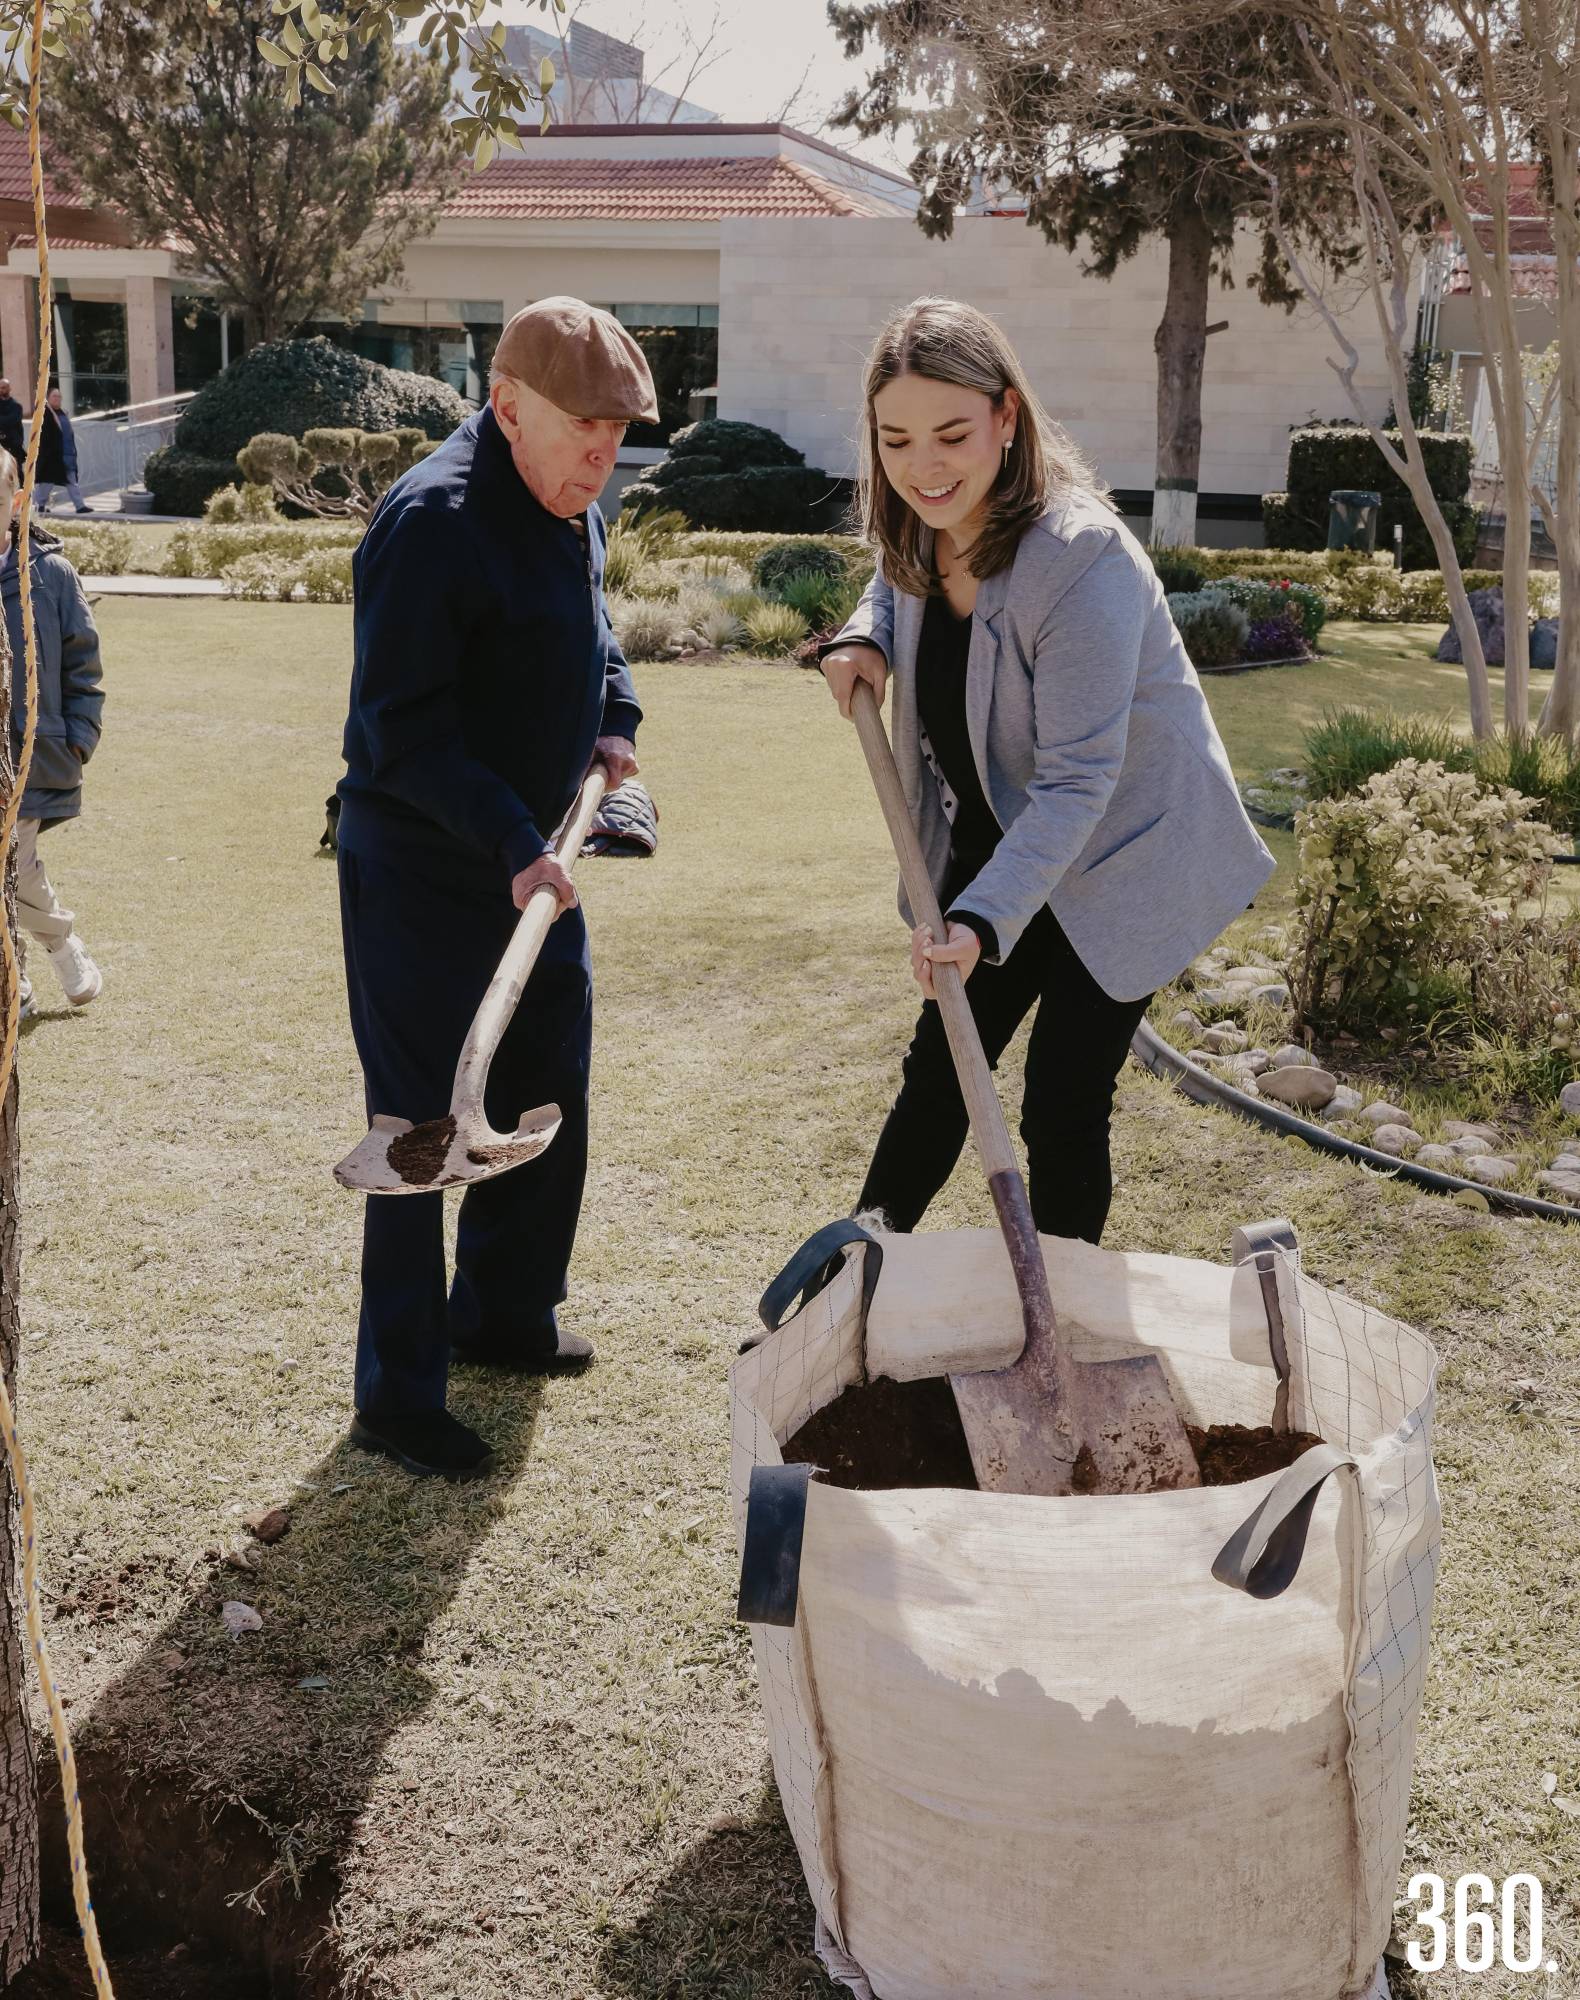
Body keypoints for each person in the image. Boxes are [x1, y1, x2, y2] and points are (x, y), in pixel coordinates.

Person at [820, 296, 1275, 1247]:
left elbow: (1078, 782)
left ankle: (1059, 1319)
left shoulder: (1080, 562)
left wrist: (981, 922)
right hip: (1008, 839)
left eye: (951, 433)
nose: (923, 467)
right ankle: (851, 1281)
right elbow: (892, 573)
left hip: (1122, 854)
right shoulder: (918, 524)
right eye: (895, 440)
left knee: (1062, 1103)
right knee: (942, 1072)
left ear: (1007, 417)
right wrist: (865, 635)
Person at [336, 296, 656, 1480]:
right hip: (425, 870)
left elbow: (595, 626)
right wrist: (516, 837)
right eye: (583, 428)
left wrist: (613, 721)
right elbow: (401, 734)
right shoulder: (429, 523)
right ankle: (398, 1392)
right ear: (505, 401)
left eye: (617, 436)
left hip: (534, 871)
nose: (600, 456)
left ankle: (504, 1318)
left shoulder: (567, 499)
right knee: (420, 1126)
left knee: (542, 1088)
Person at [0, 450, 105, 1017]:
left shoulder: (49, 575)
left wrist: (79, 737)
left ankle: (60, 946)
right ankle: (18, 968)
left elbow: (82, 661)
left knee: (15, 860)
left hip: (34, 753)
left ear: (16, 503)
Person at [36, 386, 89, 515]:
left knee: (71, 481)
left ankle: (80, 506)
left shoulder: (63, 413)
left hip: (67, 454)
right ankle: (39, 506)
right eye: (54, 396)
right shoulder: (44, 414)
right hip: (52, 457)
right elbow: (44, 437)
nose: (57, 399)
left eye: (59, 396)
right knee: (46, 483)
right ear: (48, 399)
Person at [0, 381, 22, 469]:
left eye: (4, 387)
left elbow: (12, 421)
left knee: (16, 472)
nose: (1, 390)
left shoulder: (16, 406)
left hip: (13, 446)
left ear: (9, 389)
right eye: (0, 388)